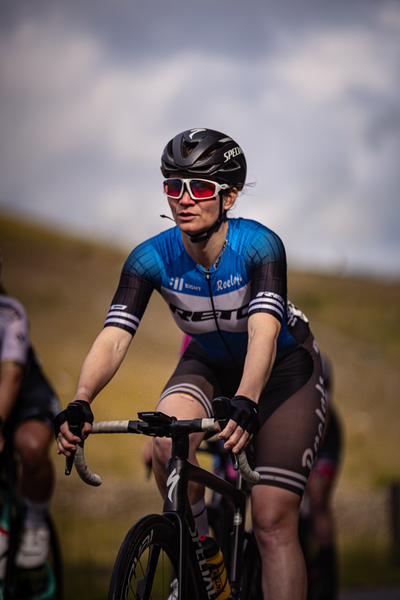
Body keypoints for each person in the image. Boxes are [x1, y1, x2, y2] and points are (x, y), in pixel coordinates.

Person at [55, 128, 326, 600]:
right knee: (166, 442)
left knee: (271, 520)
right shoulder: (151, 256)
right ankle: (202, 551)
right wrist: (81, 399)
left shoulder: (259, 246)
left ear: (230, 195)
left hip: (283, 372)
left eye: (199, 187)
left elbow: (263, 331)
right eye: (172, 185)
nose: (183, 199)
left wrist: (247, 397)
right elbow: (115, 338)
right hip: (207, 361)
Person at [0, 252, 60, 577]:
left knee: (33, 447)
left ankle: (35, 523)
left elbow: (11, 376)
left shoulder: (9, 313)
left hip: (26, 399)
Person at [300, 355, 343, 600]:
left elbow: (323, 408)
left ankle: (327, 567)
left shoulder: (319, 362)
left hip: (325, 439)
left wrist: (309, 462)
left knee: (317, 497)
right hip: (300, 431)